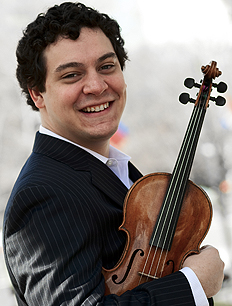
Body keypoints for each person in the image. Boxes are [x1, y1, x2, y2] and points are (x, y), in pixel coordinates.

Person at [3, 2, 224, 306]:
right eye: (71, 75)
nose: (96, 85)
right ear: (37, 93)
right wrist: (191, 285)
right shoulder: (43, 193)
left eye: (107, 67)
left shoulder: (118, 169)